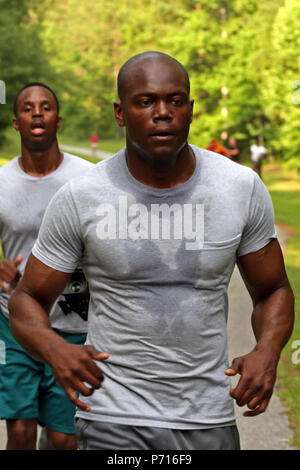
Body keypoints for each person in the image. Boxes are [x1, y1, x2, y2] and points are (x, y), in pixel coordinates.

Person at [9, 53, 294, 451]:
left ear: (191, 110)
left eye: (176, 100)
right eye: (145, 101)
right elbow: (27, 298)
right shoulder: (82, 197)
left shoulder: (238, 188)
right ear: (120, 113)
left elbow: (274, 290)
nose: (163, 113)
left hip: (206, 416)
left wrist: (268, 351)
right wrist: (56, 348)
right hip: (112, 414)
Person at [0, 82, 93, 450]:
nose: (37, 112)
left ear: (58, 121)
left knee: (62, 440)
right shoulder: (2, 182)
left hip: (74, 323)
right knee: (19, 433)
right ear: (16, 123)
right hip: (13, 323)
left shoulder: (88, 179)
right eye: (27, 108)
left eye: (46, 107)